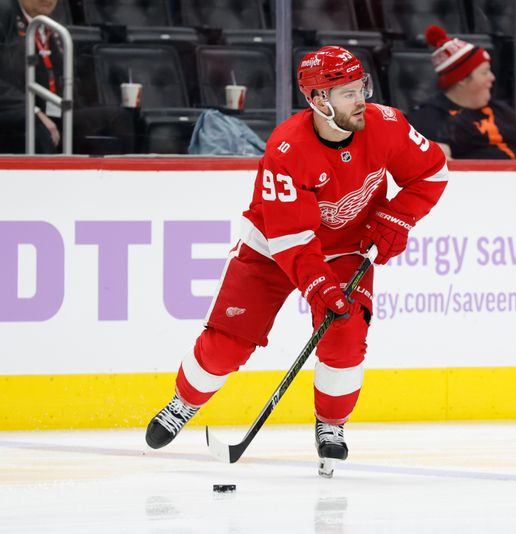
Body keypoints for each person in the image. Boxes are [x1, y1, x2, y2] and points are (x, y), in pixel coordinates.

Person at [145, 46, 448, 477]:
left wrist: (397, 217)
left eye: (360, 87)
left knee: (346, 334)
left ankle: (331, 425)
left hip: (345, 248)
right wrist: (319, 286)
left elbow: (432, 172)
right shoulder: (287, 149)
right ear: (318, 100)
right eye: (347, 93)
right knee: (228, 343)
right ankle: (184, 403)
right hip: (272, 247)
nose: (360, 100)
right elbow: (291, 238)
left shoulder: (386, 124)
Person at [0, 0, 134, 154]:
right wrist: (33, 111)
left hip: (54, 112)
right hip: (15, 111)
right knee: (39, 130)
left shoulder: (53, 25)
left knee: (117, 118)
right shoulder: (4, 14)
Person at [406, 24, 516, 161]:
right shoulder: (431, 116)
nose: (492, 78)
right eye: (484, 72)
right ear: (462, 79)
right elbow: (440, 164)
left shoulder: (501, 110)